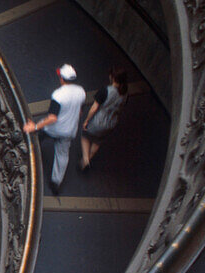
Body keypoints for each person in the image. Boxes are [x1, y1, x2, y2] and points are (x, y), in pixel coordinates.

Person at [22, 64, 86, 196]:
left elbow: (52, 118)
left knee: (40, 134)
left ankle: (29, 154)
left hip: (55, 128)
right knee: (62, 156)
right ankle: (55, 183)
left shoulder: (58, 95)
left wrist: (34, 126)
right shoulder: (81, 92)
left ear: (62, 78)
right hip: (70, 130)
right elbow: (79, 112)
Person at [81, 67, 129, 171]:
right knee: (98, 141)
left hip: (99, 121)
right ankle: (90, 157)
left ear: (112, 77)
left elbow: (94, 108)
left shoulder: (105, 91)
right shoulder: (125, 93)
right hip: (112, 122)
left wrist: (87, 120)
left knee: (85, 136)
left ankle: (85, 160)